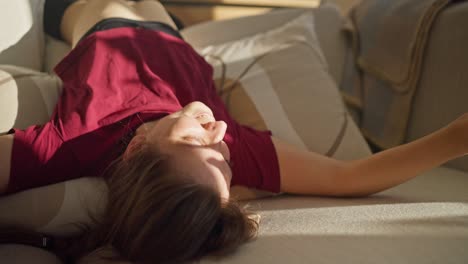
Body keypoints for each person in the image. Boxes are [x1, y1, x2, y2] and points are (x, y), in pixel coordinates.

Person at [0, 0, 467, 263]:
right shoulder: (231, 152)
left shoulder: (72, 142)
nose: (220, 131)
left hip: (99, 17)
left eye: (194, 141)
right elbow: (350, 178)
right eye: (221, 157)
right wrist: (455, 138)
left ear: (139, 146)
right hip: (172, 31)